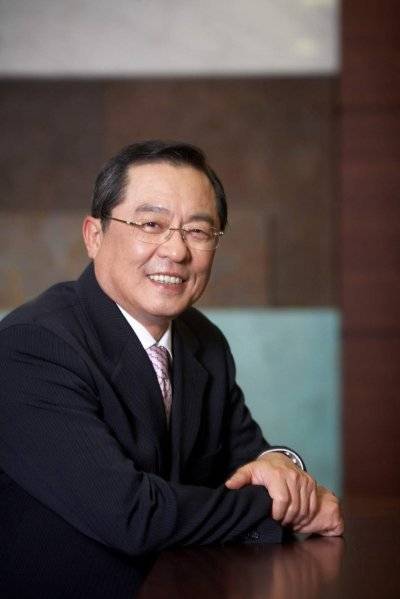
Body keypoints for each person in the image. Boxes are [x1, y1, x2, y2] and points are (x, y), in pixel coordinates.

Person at [0, 140, 343, 562]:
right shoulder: (31, 346)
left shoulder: (203, 340)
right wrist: (283, 510)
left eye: (198, 231)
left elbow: (249, 460)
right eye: (150, 224)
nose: (177, 251)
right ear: (94, 236)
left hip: (184, 581)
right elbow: (131, 515)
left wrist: (282, 464)